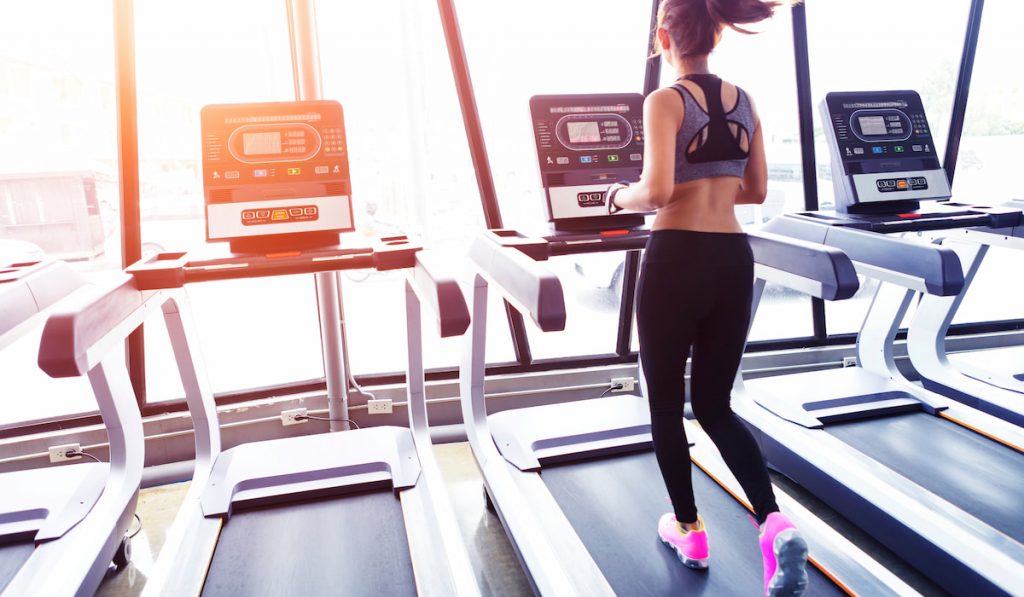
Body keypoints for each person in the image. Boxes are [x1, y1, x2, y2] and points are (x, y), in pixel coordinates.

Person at [606, 1, 808, 595]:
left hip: (676, 259)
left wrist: (617, 196)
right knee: (715, 404)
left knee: (667, 406)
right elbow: (757, 189)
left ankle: (689, 529)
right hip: (731, 259)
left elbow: (657, 191)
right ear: (717, 32)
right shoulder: (745, 99)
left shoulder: (664, 100)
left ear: (664, 36)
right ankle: (774, 523)